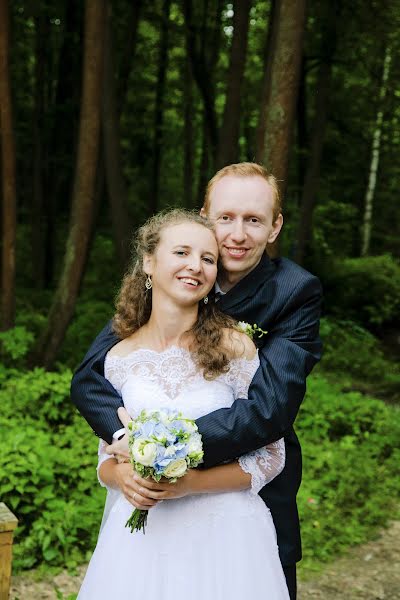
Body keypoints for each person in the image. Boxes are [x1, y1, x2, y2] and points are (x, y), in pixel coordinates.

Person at [71, 163, 323, 599]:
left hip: (244, 492)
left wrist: (165, 449)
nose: (237, 235)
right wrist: (127, 442)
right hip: (151, 513)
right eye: (225, 217)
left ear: (275, 227)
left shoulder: (294, 291)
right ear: (205, 215)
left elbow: (268, 411)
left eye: (254, 220)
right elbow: (92, 376)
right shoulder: (163, 286)